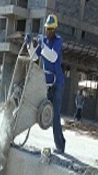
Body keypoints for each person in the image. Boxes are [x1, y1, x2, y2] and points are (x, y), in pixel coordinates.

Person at [25, 14, 66, 154]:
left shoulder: (58, 41)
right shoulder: (44, 41)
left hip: (57, 83)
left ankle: (60, 146)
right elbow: (34, 57)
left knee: (55, 115)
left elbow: (53, 57)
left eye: (51, 29)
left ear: (55, 29)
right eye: (47, 29)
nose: (49, 32)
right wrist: (29, 45)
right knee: (42, 109)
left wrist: (42, 45)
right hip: (47, 83)